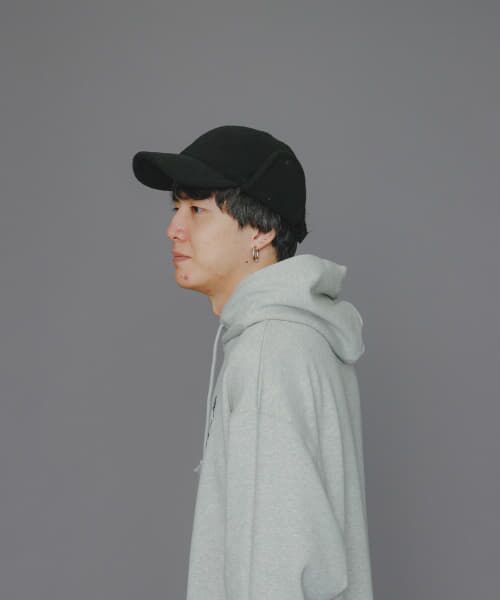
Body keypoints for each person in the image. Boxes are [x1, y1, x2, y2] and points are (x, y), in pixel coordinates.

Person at [132, 125, 374, 600]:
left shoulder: (269, 355)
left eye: (197, 210)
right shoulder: (299, 341)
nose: (174, 228)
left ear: (260, 232)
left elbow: (280, 565)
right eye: (175, 208)